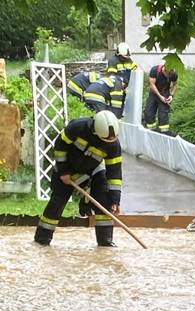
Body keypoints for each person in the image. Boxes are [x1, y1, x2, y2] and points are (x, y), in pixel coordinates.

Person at [34, 111, 123, 247]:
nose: (108, 143)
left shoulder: (113, 145)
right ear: (96, 131)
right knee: (57, 203)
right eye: (105, 140)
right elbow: (60, 148)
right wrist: (63, 171)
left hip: (93, 170)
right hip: (67, 170)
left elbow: (114, 173)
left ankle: (105, 243)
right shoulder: (76, 128)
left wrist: (115, 199)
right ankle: (42, 240)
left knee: (105, 200)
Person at [143, 64, 178, 135]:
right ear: (164, 71)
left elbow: (175, 85)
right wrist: (160, 96)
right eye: (167, 76)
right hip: (154, 93)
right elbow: (152, 85)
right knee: (148, 113)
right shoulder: (155, 70)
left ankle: (164, 133)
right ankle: (151, 132)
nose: (168, 77)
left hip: (165, 93)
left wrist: (171, 96)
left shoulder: (173, 74)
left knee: (163, 116)